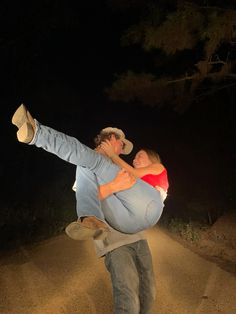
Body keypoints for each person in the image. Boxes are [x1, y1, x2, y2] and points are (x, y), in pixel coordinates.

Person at [12, 104, 164, 236]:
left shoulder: (112, 165)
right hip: (127, 224)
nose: (122, 152)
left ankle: (37, 133)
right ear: (112, 138)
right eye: (121, 145)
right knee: (86, 165)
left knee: (89, 162)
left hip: (147, 203)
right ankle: (91, 218)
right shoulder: (86, 170)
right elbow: (87, 195)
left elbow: (138, 176)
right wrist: (113, 186)